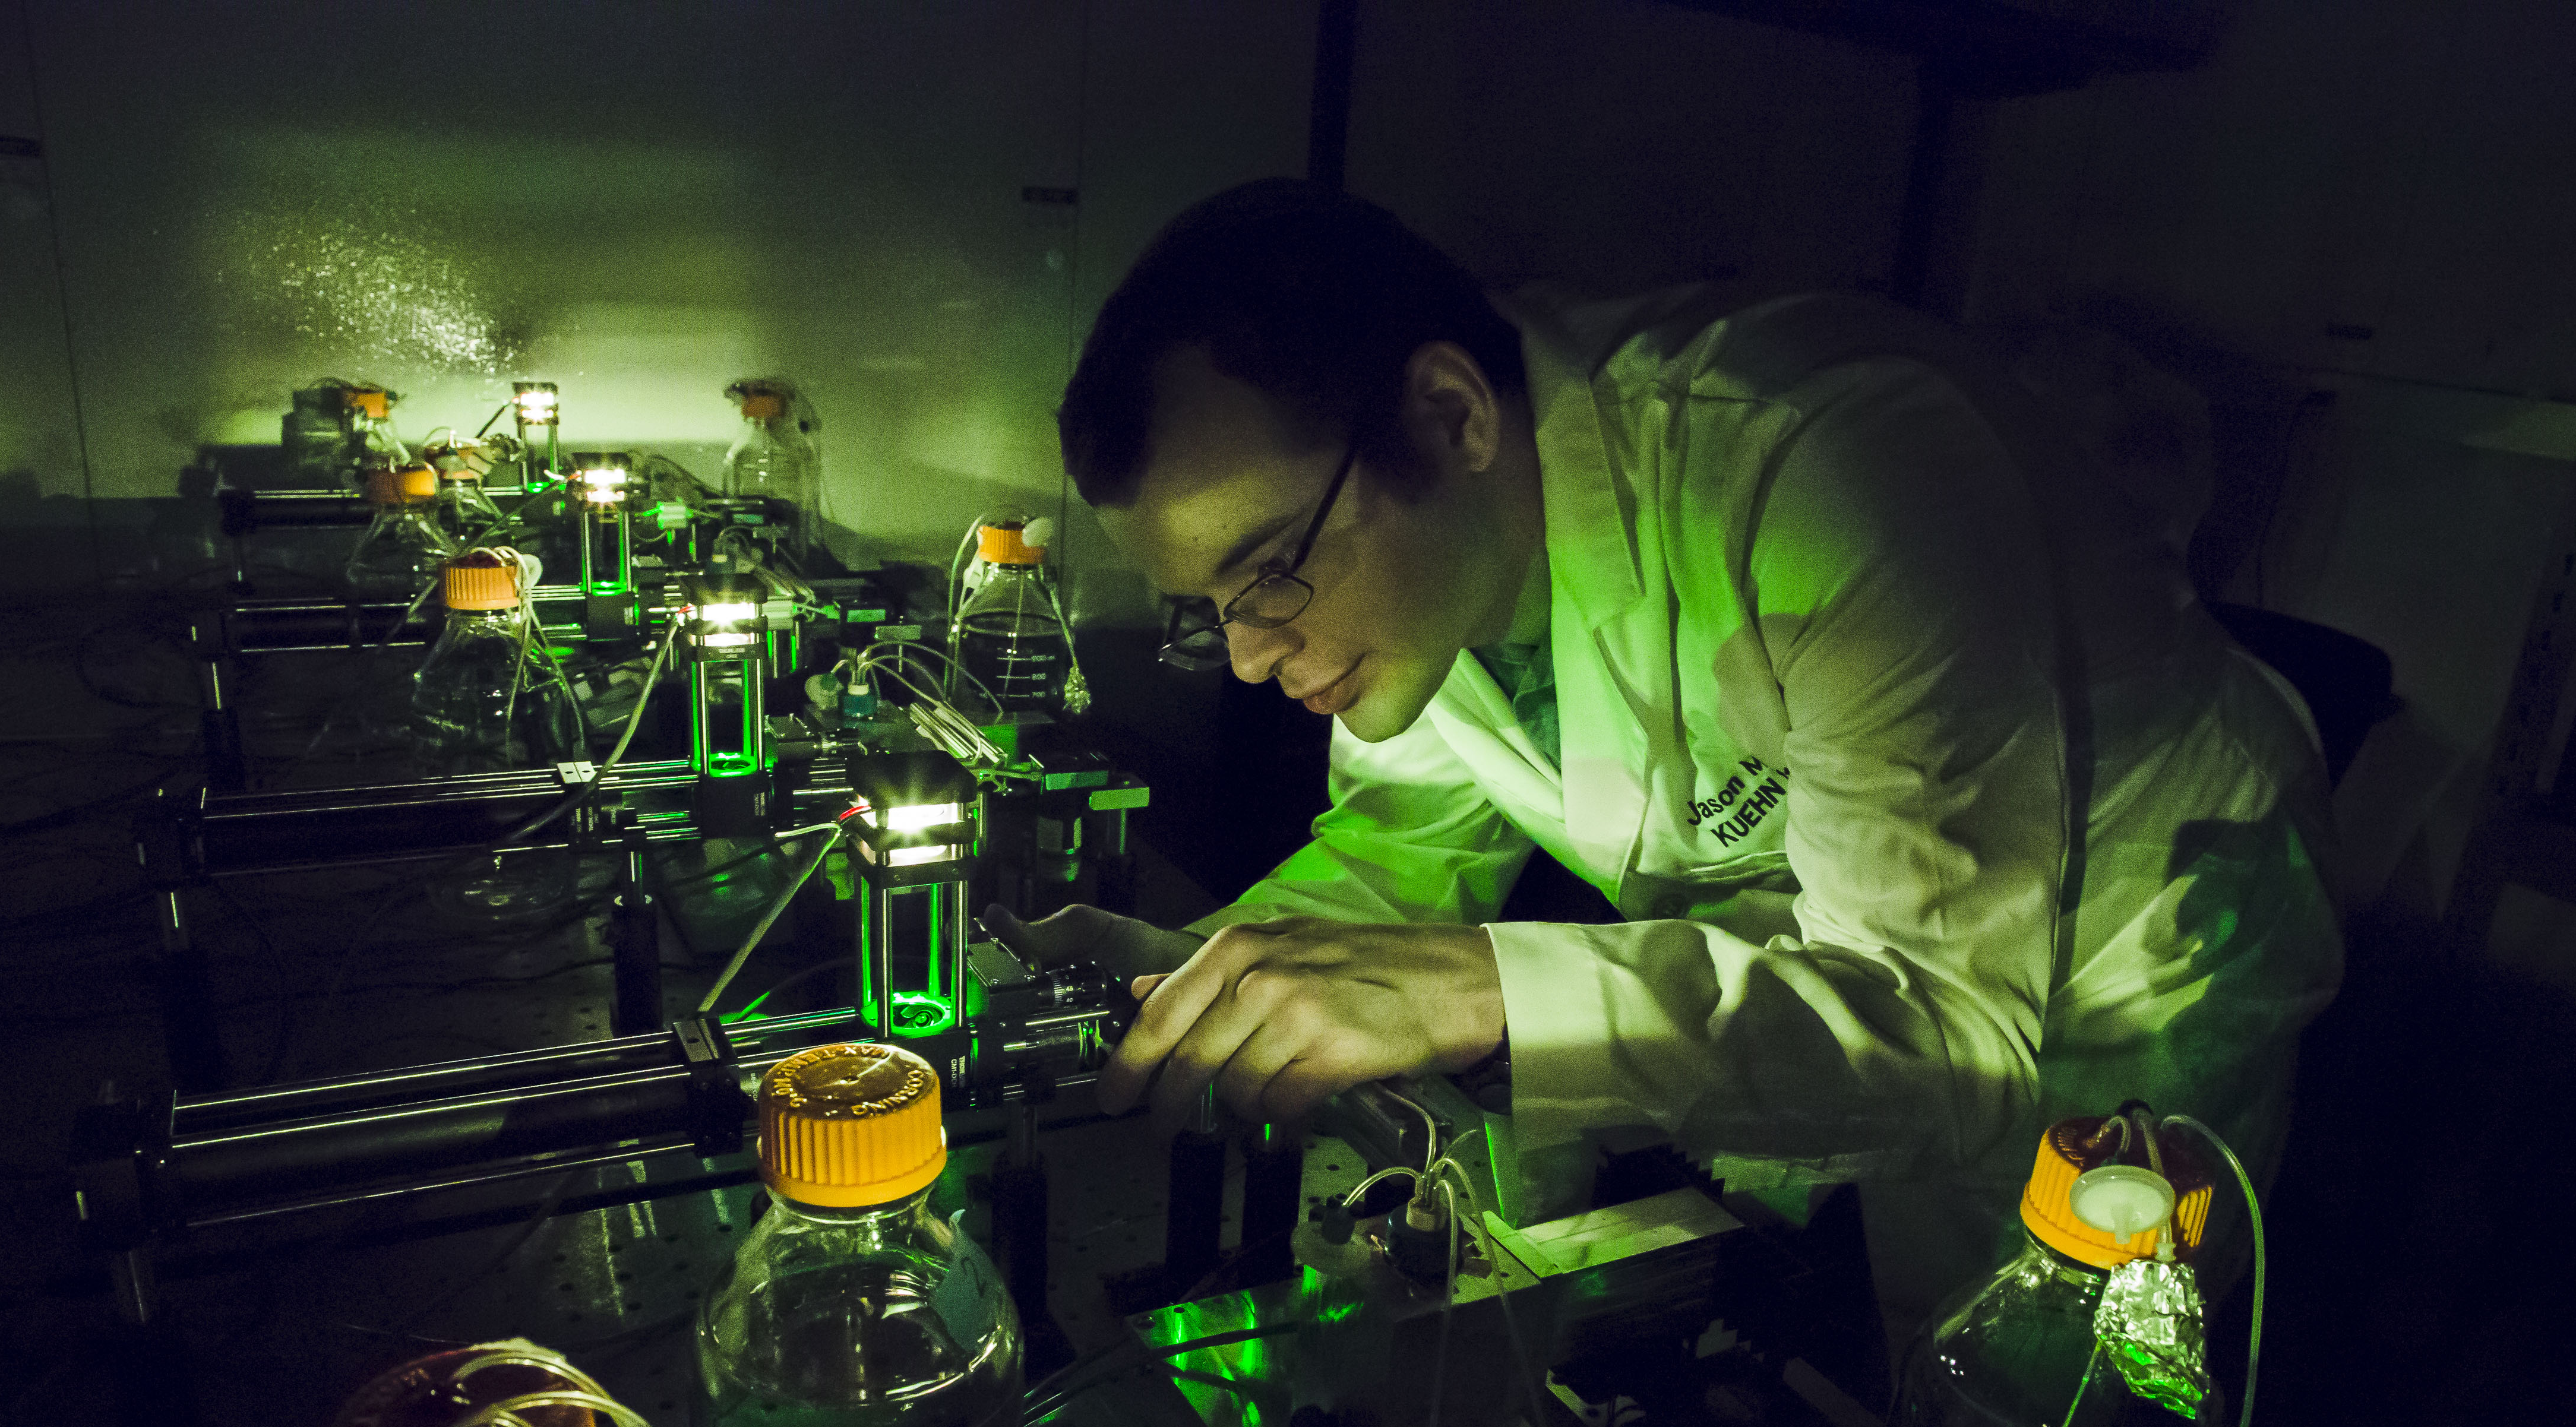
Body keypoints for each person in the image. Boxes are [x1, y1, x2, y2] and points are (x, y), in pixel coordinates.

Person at [1004, 179, 2343, 1334]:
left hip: (2133, 964)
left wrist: (1489, 991)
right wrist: (1196, 985)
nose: (1248, 657)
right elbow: (1404, 847)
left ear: (1451, 416)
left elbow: (1949, 1036)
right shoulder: (1436, 567)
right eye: (1215, 609)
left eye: (1273, 574)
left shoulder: (1832, 464)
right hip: (1838, 954)